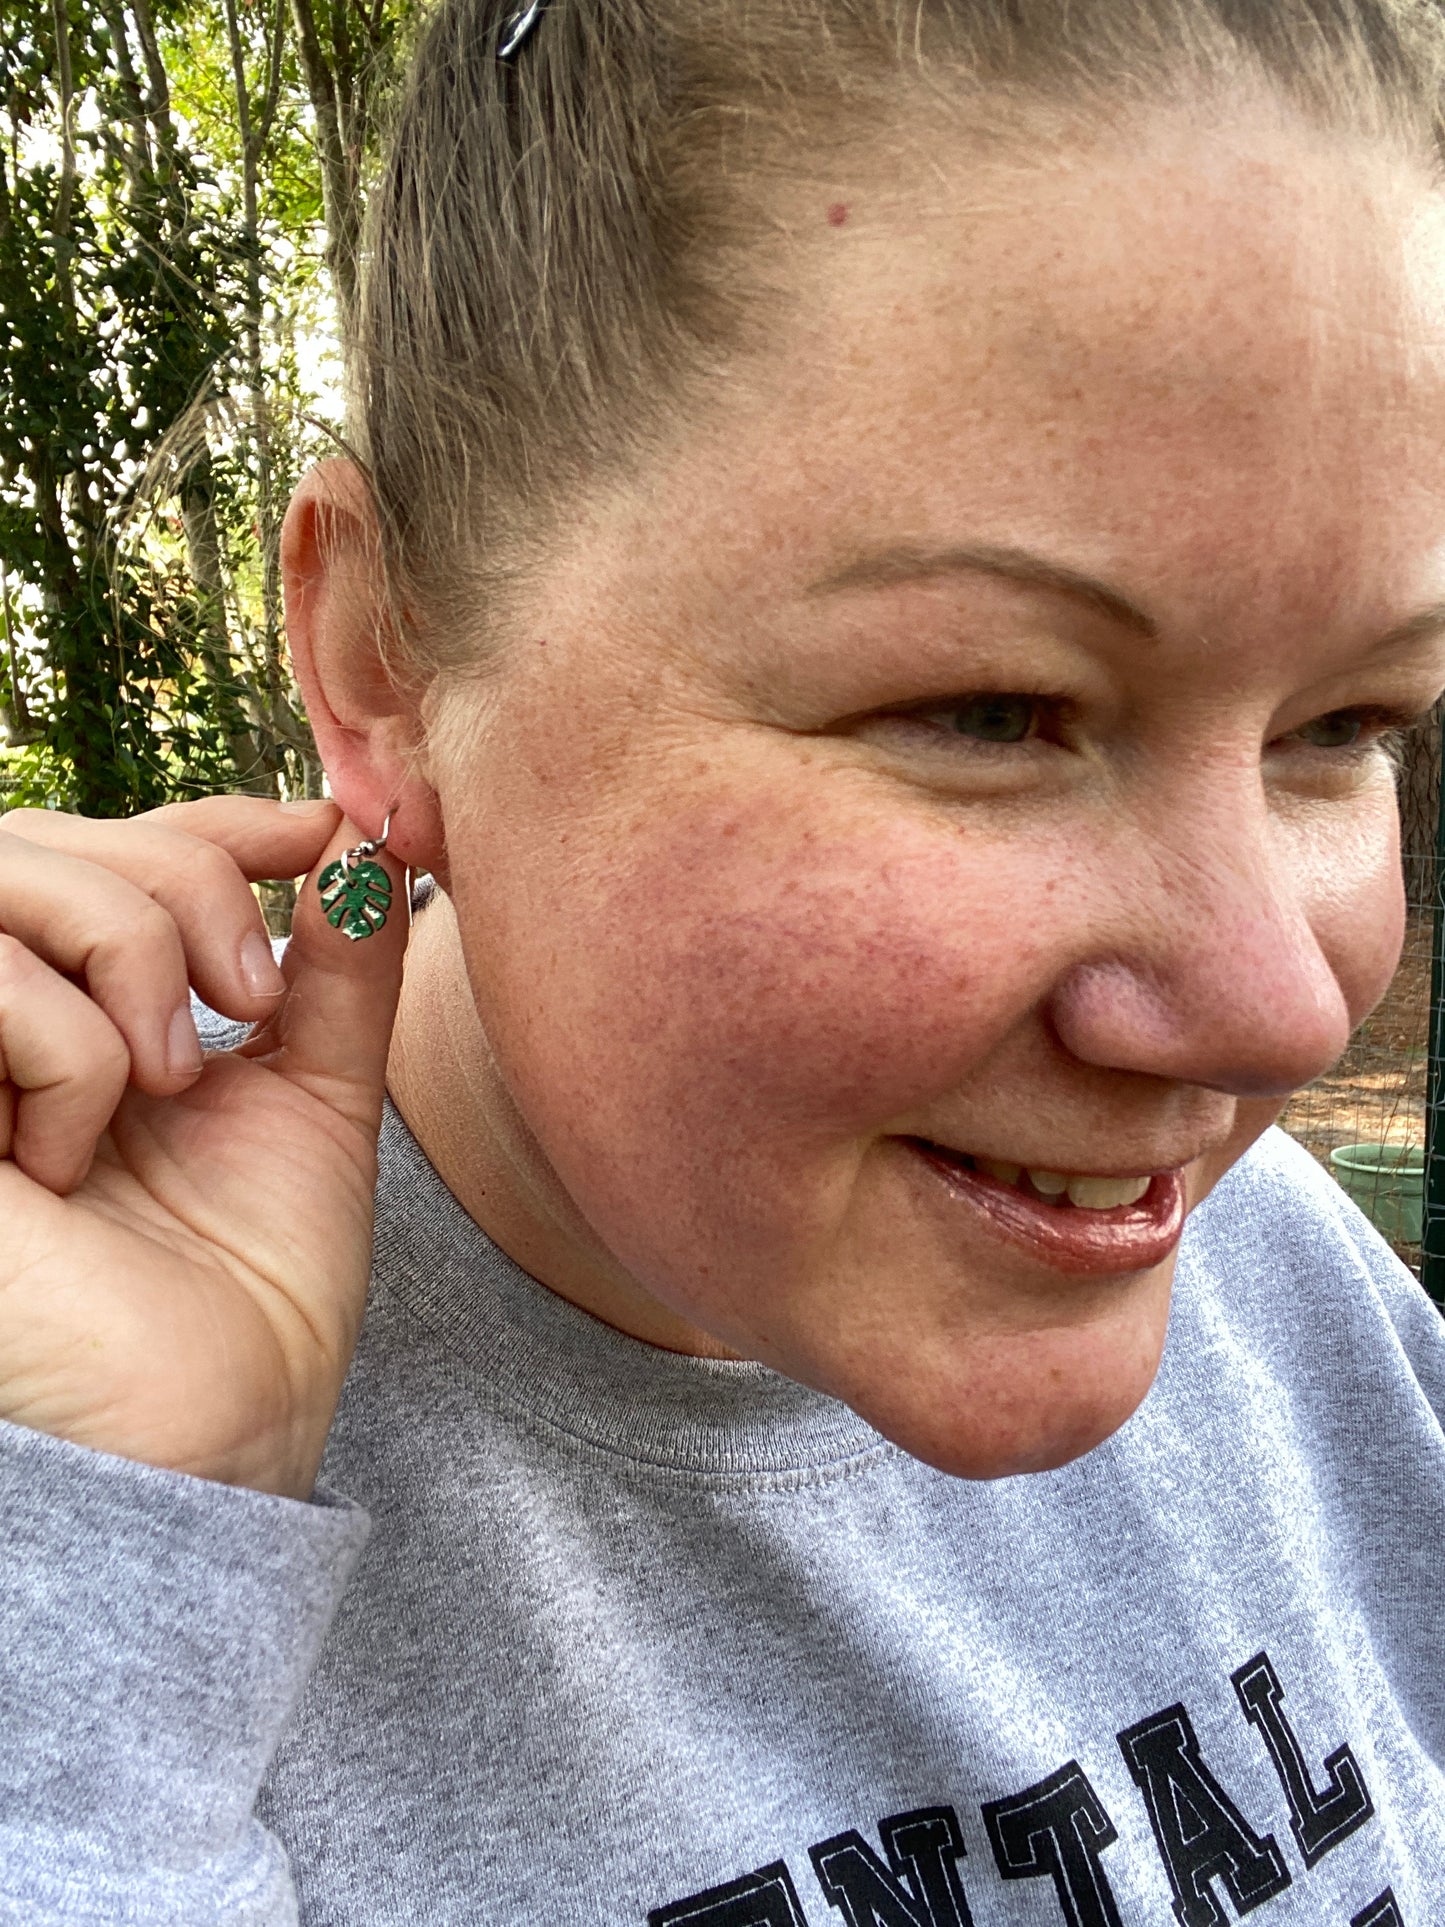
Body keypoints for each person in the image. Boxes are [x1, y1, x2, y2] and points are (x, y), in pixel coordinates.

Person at [3, 0, 1445, 1918]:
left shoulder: (1275, 1284)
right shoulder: (71, 1428)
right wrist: (84, 1585)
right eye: (993, 708)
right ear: (386, 659)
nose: (1283, 1011)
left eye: (1345, 726)